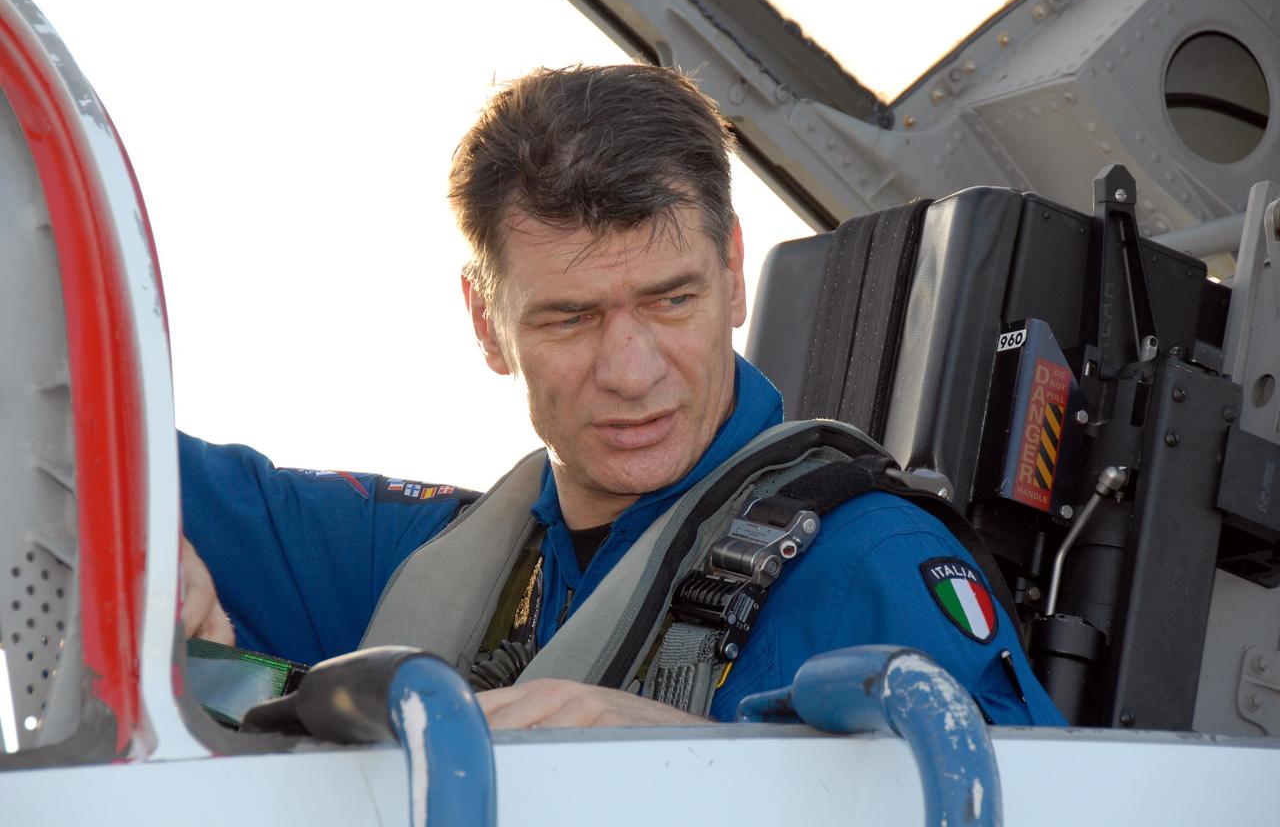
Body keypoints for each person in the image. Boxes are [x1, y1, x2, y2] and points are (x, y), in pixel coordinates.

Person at [179, 63, 1064, 729]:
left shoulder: (871, 564)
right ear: (486, 323)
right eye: (569, 319)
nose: (632, 371)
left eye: (672, 300)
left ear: (733, 275)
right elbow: (84, 448)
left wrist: (686, 765)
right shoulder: (411, 561)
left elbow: (1031, 799)